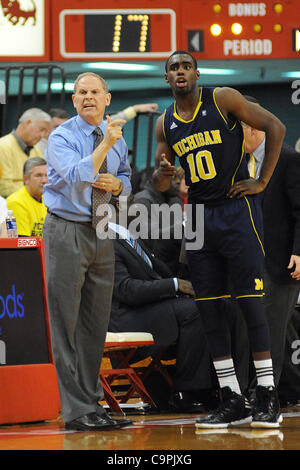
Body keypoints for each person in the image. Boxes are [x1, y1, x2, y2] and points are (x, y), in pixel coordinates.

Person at [153, 50, 286, 428]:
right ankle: (231, 398)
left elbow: (276, 127)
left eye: (186, 66)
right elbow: (159, 181)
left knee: (250, 303)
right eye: (173, 68)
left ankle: (267, 394)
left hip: (233, 209)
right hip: (196, 214)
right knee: (208, 308)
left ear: (197, 73)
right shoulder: (164, 123)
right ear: (167, 79)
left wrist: (261, 181)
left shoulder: (223, 98)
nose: (180, 72)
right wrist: (164, 173)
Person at [42, 71, 132, 431]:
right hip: (65, 229)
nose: (89, 97)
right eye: (82, 92)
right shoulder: (61, 136)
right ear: (74, 100)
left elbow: (126, 177)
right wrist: (105, 146)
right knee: (67, 324)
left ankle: (92, 403)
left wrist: (118, 183)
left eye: (95, 92)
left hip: (101, 229)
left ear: (107, 98)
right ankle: (76, 411)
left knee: (95, 325)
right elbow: (77, 175)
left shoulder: (116, 140)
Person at [108, 195, 218, 412]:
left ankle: (218, 387)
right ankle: (187, 391)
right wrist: (175, 285)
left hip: (149, 308)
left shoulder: (130, 236)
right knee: (193, 311)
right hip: (127, 317)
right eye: (127, 202)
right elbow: (126, 290)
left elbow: (160, 271)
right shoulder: (108, 240)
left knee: (215, 305)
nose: (135, 206)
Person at [241, 96, 300, 400]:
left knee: (271, 330)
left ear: (253, 127)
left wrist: (299, 251)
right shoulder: (239, 164)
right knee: (251, 329)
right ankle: (245, 394)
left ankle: (265, 395)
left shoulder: (288, 158)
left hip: (281, 262)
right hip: (248, 262)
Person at [134, 167, 184, 276]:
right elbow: (148, 238)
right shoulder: (142, 200)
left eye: (179, 178)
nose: (178, 181)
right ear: (157, 180)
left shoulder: (175, 200)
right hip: (149, 266)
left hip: (172, 263)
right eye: (173, 178)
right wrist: (182, 226)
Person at [0, 108, 51, 197]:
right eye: (41, 129)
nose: (42, 136)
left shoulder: (36, 150)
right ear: (28, 123)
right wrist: (33, 190)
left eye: (45, 132)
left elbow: (46, 182)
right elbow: (4, 186)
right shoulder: (2, 146)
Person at [6, 157, 48, 237]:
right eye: (38, 176)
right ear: (26, 179)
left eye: (46, 175)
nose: (44, 180)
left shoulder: (47, 201)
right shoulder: (16, 202)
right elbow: (22, 244)